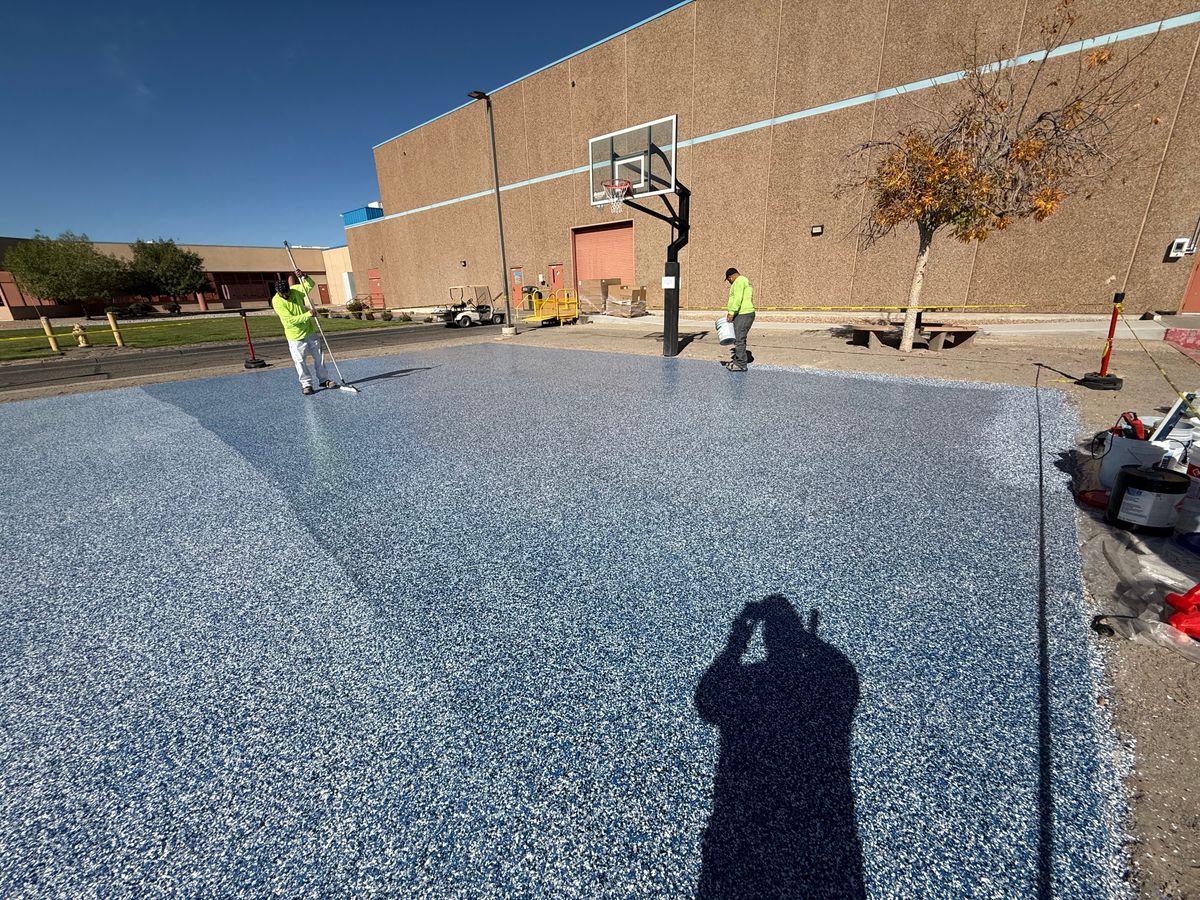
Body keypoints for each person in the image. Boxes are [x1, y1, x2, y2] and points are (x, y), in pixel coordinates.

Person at [270, 273, 337, 395]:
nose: (286, 295)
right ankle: (306, 384)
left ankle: (324, 380)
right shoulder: (277, 302)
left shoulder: (295, 291)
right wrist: (308, 314)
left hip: (309, 331)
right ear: (278, 292)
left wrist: (304, 276)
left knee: (319, 357)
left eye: (287, 292)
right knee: (300, 361)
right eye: (283, 293)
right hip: (295, 335)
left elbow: (310, 285)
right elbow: (290, 320)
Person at [722, 267, 755, 372]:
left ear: (730, 277)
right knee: (740, 338)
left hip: (743, 314)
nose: (729, 282)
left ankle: (741, 364)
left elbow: (737, 298)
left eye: (728, 280)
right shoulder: (743, 280)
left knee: (739, 339)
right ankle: (738, 360)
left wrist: (731, 312)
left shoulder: (739, 281)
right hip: (744, 313)